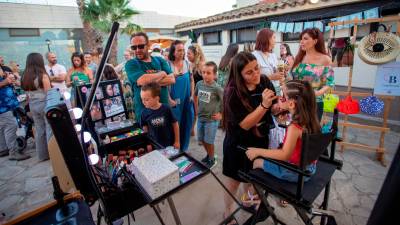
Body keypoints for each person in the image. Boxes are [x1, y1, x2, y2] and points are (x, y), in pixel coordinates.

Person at [222, 52, 277, 224]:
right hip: (238, 142)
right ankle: (227, 213)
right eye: (249, 72)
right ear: (239, 75)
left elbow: (273, 106)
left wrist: (278, 109)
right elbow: (245, 125)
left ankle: (248, 200)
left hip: (260, 139)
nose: (256, 74)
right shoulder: (232, 92)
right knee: (234, 180)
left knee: (252, 175)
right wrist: (264, 105)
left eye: (257, 68)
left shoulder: (265, 82)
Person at [245, 80, 321, 182]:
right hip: (310, 167)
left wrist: (257, 151)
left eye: (282, 96)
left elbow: (285, 155)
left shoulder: (294, 127)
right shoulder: (311, 119)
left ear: (291, 104)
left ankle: (255, 196)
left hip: (296, 172)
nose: (279, 98)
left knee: (257, 162)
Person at [125, 32, 175, 122]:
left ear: (148, 45)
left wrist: (149, 81)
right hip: (145, 115)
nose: (137, 50)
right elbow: (142, 81)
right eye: (134, 47)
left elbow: (172, 79)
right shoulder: (131, 64)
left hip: (164, 111)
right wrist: (162, 73)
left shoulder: (160, 60)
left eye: (140, 46)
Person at [291, 28, 334, 122]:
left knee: (310, 133)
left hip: (314, 102)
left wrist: (317, 93)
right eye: (301, 39)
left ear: (315, 41)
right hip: (297, 102)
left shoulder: (325, 59)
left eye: (305, 39)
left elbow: (329, 83)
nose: (301, 42)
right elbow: (293, 79)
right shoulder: (299, 58)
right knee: (297, 131)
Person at [21, 53, 52, 161]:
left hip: (33, 105)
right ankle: (52, 154)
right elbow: (49, 93)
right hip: (44, 103)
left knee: (39, 130)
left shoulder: (25, 76)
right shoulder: (42, 75)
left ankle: (42, 155)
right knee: (49, 129)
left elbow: (27, 94)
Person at [194, 61, 223, 168]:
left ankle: (212, 159)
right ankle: (209, 155)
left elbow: (226, 101)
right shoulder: (199, 84)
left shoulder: (217, 88)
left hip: (212, 120)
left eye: (208, 73)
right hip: (201, 118)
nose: (205, 75)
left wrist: (221, 115)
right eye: (203, 72)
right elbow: (195, 95)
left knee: (209, 141)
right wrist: (196, 108)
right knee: (201, 139)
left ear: (215, 75)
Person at [167, 40, 194, 151]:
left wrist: (192, 94)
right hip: (175, 101)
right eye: (179, 50)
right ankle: (175, 150)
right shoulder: (168, 65)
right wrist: (169, 99)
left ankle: (184, 149)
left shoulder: (187, 64)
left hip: (187, 99)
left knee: (187, 123)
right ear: (173, 52)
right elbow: (164, 85)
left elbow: (192, 80)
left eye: (183, 50)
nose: (182, 52)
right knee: (175, 124)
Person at [0, 66, 31, 160]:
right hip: (3, 107)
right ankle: (13, 152)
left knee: (3, 128)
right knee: (11, 126)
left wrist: (9, 79)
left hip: (9, 105)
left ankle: (3, 149)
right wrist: (6, 81)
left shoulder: (4, 75)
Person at [140, 82, 180, 149]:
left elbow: (175, 124)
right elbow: (145, 129)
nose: (143, 102)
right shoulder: (144, 113)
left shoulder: (166, 109)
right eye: (142, 99)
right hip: (154, 145)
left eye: (146, 99)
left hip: (169, 144)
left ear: (157, 98)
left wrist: (177, 141)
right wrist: (147, 143)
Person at [252, 28, 285, 95]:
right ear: (266, 39)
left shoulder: (273, 55)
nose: (275, 41)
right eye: (274, 38)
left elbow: (277, 72)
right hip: (264, 94)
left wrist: (281, 77)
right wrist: (271, 77)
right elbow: (252, 79)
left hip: (277, 92)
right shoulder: (254, 56)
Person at [187, 44, 205, 136]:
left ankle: (199, 132)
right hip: (192, 92)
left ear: (195, 54)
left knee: (198, 113)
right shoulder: (189, 64)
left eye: (189, 54)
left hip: (201, 93)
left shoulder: (202, 65)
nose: (187, 55)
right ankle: (192, 130)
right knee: (193, 112)